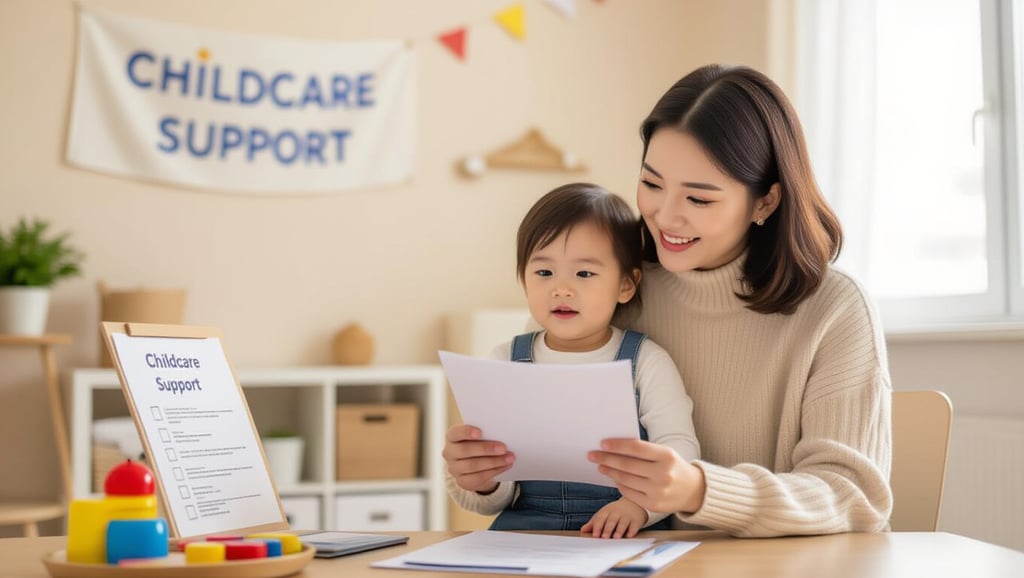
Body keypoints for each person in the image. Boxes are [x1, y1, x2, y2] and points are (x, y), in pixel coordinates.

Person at [444, 64, 892, 538]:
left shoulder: (835, 308)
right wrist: (479, 477)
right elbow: (528, 471)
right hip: (635, 558)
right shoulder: (607, 287)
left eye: (699, 199)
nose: (665, 217)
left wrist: (700, 491)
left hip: (782, 565)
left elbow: (853, 497)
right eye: (652, 184)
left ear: (764, 202)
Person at [445, 183, 700, 538]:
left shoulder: (646, 361)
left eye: (584, 274)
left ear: (626, 285)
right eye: (544, 273)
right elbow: (493, 494)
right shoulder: (504, 361)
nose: (561, 289)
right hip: (527, 531)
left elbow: (680, 449)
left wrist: (640, 507)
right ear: (523, 279)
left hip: (623, 530)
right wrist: (484, 482)